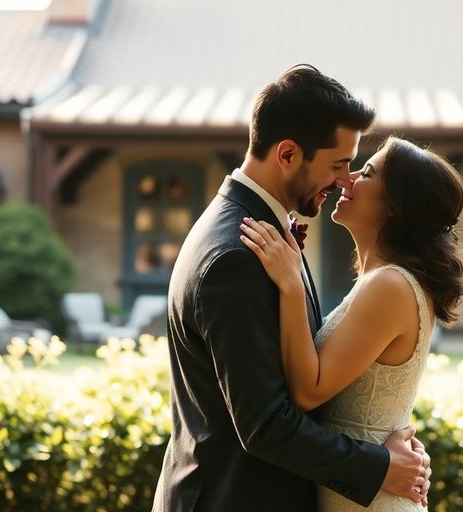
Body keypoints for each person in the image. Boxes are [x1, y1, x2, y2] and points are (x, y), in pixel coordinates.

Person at [152, 65, 430, 512]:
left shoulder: (261, 232)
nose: (345, 180)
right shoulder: (236, 257)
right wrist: (379, 465)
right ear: (287, 154)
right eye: (338, 164)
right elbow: (265, 426)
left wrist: (387, 438)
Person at [240, 136, 463, 511]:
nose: (348, 179)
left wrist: (291, 285)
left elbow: (309, 391)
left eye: (368, 172)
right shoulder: (382, 280)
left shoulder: (390, 284)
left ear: (395, 206)